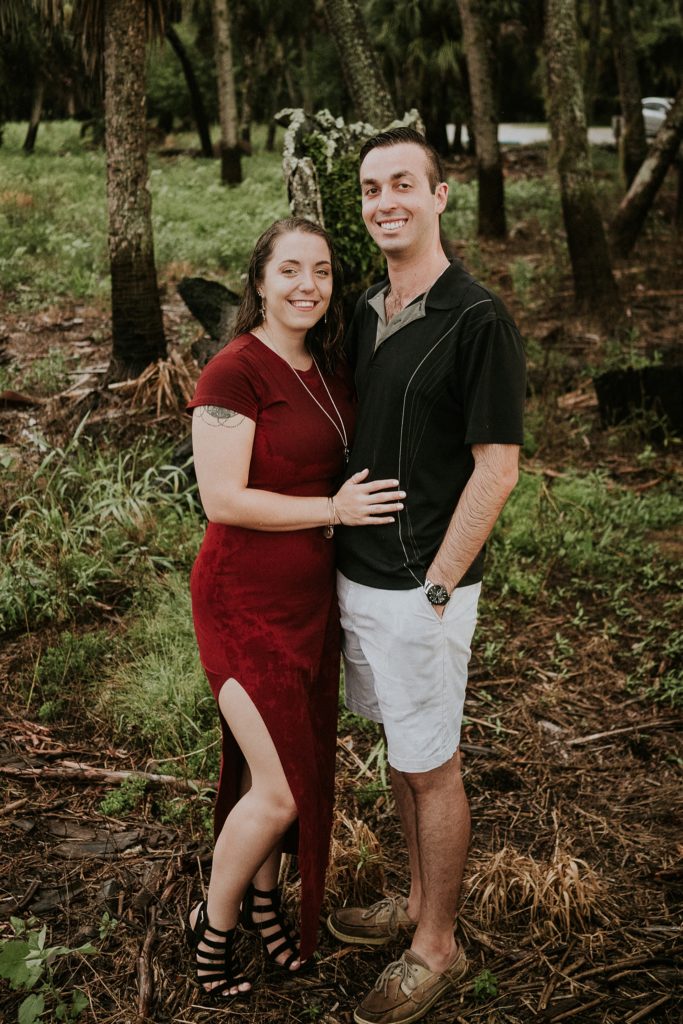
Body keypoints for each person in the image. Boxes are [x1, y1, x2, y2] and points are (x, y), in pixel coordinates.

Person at [327, 129, 526, 1024]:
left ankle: (434, 946)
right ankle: (411, 902)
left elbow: (496, 468)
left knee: (433, 765)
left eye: (402, 184)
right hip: (360, 578)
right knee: (402, 758)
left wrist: (440, 587)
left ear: (439, 195)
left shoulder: (477, 318)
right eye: (371, 189)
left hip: (422, 586)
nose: (384, 202)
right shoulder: (366, 307)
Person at [186, 217, 405, 1000]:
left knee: (291, 769)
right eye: (289, 271)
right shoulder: (233, 374)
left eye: (320, 272)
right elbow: (222, 500)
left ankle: (267, 898)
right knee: (277, 788)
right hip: (241, 602)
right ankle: (214, 929)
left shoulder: (329, 369)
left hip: (312, 602)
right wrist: (332, 512)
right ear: (259, 282)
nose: (306, 285)